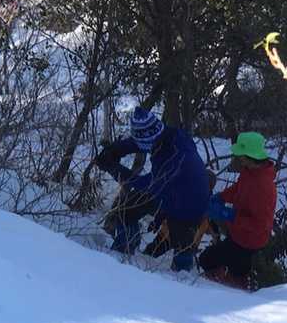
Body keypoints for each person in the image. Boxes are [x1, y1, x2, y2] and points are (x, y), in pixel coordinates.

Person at [96, 106, 211, 271]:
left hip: (190, 201)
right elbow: (137, 142)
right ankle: (124, 252)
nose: (144, 148)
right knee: (126, 211)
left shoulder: (175, 156)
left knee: (182, 242)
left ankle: (182, 279)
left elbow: (144, 184)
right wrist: (114, 150)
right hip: (168, 190)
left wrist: (114, 168)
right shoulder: (166, 134)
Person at [200, 131, 277, 288]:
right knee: (208, 259)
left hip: (250, 243)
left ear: (250, 156)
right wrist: (222, 197)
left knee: (229, 274)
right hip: (238, 233)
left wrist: (230, 215)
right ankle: (221, 278)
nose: (238, 158)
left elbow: (260, 225)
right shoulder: (250, 171)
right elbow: (238, 189)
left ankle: (230, 290)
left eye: (241, 156)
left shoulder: (264, 187)